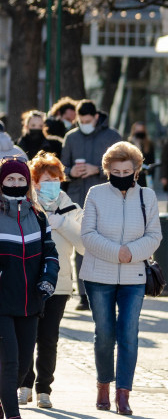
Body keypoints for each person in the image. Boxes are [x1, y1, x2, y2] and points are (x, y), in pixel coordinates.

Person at [80, 141, 163, 415]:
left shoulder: (147, 196)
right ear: (107, 171)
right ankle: (104, 384)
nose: (121, 175)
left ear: (136, 170)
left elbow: (154, 236)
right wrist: (119, 252)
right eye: (115, 171)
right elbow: (88, 235)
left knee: (129, 334)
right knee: (104, 334)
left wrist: (132, 253)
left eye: (126, 170)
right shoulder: (95, 193)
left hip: (134, 277)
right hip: (98, 275)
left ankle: (123, 393)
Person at [0, 158, 59, 419]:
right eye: (10, 179)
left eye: (20, 180)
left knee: (23, 366)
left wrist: (48, 280)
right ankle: (12, 416)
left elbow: (51, 254)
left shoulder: (38, 216)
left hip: (30, 301)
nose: (15, 184)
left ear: (28, 183)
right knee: (9, 363)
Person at [19, 151, 84, 409]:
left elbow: (83, 245)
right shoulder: (25, 206)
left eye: (55, 179)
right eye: (45, 180)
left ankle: (44, 388)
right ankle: (24, 385)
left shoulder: (71, 209)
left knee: (48, 339)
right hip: (27, 282)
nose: (50, 185)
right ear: (34, 182)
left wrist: (61, 223)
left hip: (59, 284)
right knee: (26, 336)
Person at [61, 100, 122, 310]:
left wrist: (97, 169)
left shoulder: (112, 136)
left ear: (96, 117)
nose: (84, 124)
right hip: (79, 197)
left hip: (108, 198)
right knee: (83, 245)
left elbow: (122, 166)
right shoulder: (71, 137)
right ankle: (85, 295)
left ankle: (108, 291)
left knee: (108, 244)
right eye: (81, 121)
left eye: (88, 121)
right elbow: (63, 166)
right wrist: (70, 172)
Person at [127, 122, 155, 188]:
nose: (139, 133)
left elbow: (151, 161)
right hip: (132, 176)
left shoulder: (149, 144)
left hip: (145, 176)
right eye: (137, 131)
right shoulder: (129, 144)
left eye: (141, 130)